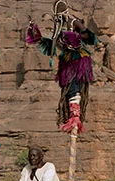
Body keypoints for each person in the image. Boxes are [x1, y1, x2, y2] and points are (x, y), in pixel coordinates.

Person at [26, 0, 100, 134]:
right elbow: (56, 45)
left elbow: (90, 36)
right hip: (67, 61)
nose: (59, 17)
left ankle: (75, 118)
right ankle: (70, 117)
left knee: (73, 87)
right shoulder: (58, 27)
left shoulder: (73, 22)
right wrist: (39, 38)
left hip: (79, 59)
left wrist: (75, 37)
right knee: (67, 89)